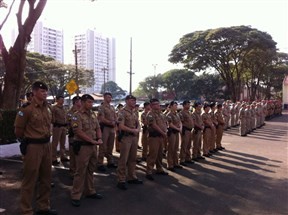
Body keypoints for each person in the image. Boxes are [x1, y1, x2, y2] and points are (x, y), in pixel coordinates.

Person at [14, 81, 57, 215]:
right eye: (42, 91)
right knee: (30, 179)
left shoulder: (48, 107)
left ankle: (43, 207)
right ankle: (26, 210)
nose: (45, 93)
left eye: (46, 91)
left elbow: (50, 124)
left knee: (46, 178)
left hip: (46, 145)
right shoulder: (26, 109)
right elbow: (18, 130)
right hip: (33, 146)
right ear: (34, 92)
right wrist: (28, 140)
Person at [70, 94, 103, 207]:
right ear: (83, 102)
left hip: (93, 146)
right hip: (83, 146)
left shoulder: (92, 114)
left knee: (91, 170)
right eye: (89, 102)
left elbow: (98, 127)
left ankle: (90, 191)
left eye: (92, 102)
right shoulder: (76, 116)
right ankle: (76, 195)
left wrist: (99, 138)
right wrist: (92, 141)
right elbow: (78, 131)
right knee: (80, 171)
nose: (91, 104)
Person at [116, 95, 143, 190]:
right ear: (127, 101)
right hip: (126, 137)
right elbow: (121, 126)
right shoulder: (122, 112)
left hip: (134, 138)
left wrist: (138, 129)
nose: (134, 102)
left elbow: (138, 124)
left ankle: (132, 176)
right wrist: (133, 130)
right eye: (132, 100)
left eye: (134, 101)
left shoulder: (134, 112)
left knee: (133, 158)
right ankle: (121, 179)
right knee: (124, 159)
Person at [145, 99, 168, 181]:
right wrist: (163, 132)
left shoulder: (161, 114)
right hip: (154, 137)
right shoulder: (150, 114)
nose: (158, 106)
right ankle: (149, 171)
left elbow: (165, 123)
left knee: (160, 154)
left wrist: (165, 130)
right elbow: (154, 125)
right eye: (155, 104)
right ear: (151, 106)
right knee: (152, 154)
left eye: (158, 104)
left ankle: (159, 168)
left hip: (161, 136)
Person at [97, 92, 117, 172]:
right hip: (105, 128)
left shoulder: (112, 107)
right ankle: (100, 163)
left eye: (110, 97)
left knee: (110, 145)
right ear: (104, 98)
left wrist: (115, 121)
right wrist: (110, 122)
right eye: (108, 97)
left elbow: (115, 116)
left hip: (112, 128)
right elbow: (101, 118)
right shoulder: (101, 107)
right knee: (103, 146)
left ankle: (110, 161)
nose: (110, 98)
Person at [66, 95, 82, 178]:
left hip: (81, 137)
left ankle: (78, 171)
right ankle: (72, 171)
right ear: (76, 102)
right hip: (74, 136)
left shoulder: (82, 111)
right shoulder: (70, 112)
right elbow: (71, 125)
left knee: (79, 155)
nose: (81, 103)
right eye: (80, 101)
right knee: (73, 154)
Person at [51, 95, 69, 165]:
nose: (62, 101)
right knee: (55, 144)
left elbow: (66, 117)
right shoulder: (54, 108)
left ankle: (63, 156)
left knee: (63, 143)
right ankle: (53, 158)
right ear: (57, 100)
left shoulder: (64, 108)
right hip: (57, 127)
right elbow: (52, 118)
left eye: (63, 99)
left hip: (64, 127)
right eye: (61, 99)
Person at [166, 101, 183, 171]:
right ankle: (170, 164)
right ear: (171, 106)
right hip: (172, 133)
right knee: (171, 148)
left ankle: (176, 163)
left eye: (176, 105)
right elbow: (170, 124)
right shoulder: (169, 115)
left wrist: (180, 128)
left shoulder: (177, 114)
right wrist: (178, 128)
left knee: (176, 148)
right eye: (175, 105)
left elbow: (180, 122)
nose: (176, 107)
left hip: (176, 133)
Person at [178, 100, 194, 166]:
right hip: (185, 130)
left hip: (190, 130)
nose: (189, 105)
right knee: (184, 145)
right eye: (187, 104)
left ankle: (188, 158)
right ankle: (182, 159)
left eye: (189, 104)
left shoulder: (189, 112)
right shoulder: (182, 113)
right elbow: (181, 122)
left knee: (189, 145)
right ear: (184, 105)